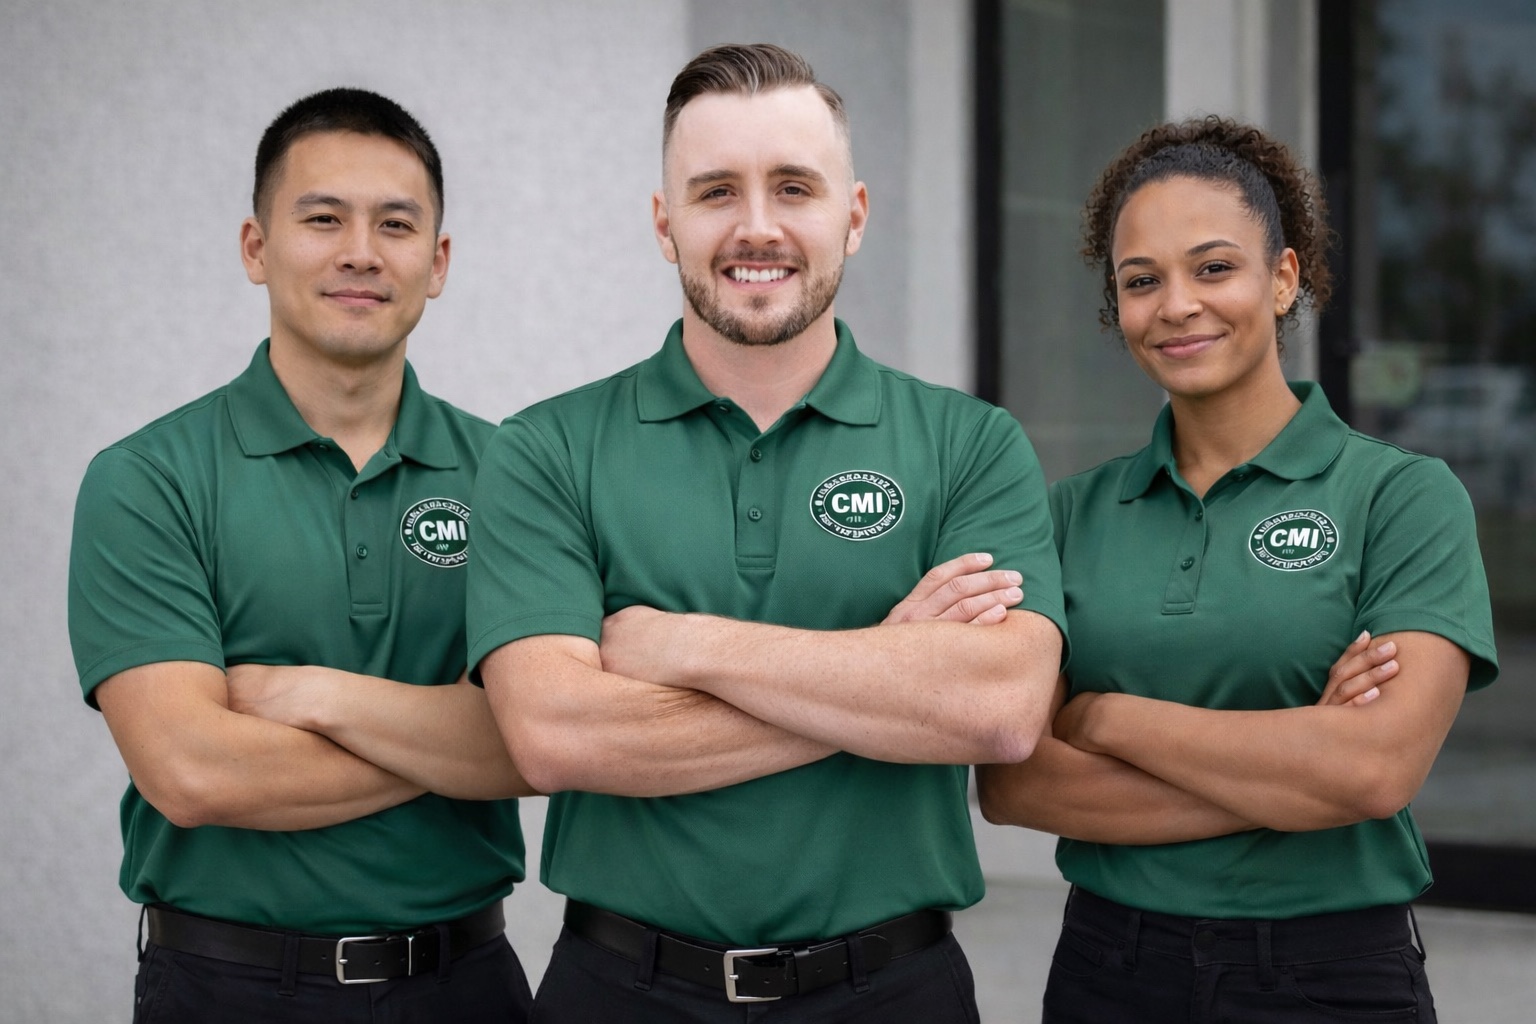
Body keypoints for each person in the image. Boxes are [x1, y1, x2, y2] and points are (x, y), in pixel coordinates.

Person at [467, 43, 1066, 1022]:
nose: (757, 227)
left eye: (794, 187)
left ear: (853, 216)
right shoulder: (546, 449)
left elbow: (997, 708)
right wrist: (889, 673)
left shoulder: (970, 443)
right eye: (716, 192)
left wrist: (683, 645)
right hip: (622, 991)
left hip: (893, 992)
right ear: (664, 222)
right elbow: (554, 734)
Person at [977, 117, 1499, 1023]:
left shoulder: (1401, 497)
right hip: (1110, 971)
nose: (1177, 305)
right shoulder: (1068, 515)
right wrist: (1299, 767)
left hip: (1330, 977)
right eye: (1141, 280)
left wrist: (1104, 716)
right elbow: (1017, 784)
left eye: (1213, 268)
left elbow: (1374, 773)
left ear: (1284, 278)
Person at [67, 88, 536, 1023]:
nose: (361, 251)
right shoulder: (148, 480)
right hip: (228, 988)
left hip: (465, 986)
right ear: (257, 247)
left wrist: (319, 698)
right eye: (323, 218)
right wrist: (463, 742)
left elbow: (547, 741)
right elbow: (192, 770)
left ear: (437, 262)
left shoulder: (519, 479)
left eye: (395, 224)